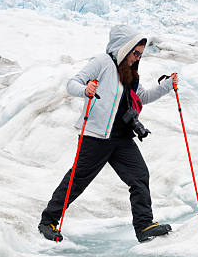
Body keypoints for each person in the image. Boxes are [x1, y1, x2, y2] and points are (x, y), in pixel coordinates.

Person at [38, 24, 178, 243]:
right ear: (124, 48)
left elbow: (144, 96)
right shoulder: (103, 63)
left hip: (121, 138)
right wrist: (85, 90)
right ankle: (48, 221)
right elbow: (72, 83)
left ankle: (144, 226)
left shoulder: (130, 72)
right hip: (96, 136)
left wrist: (167, 86)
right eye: (135, 52)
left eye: (140, 54)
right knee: (77, 180)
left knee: (140, 177)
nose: (137, 57)